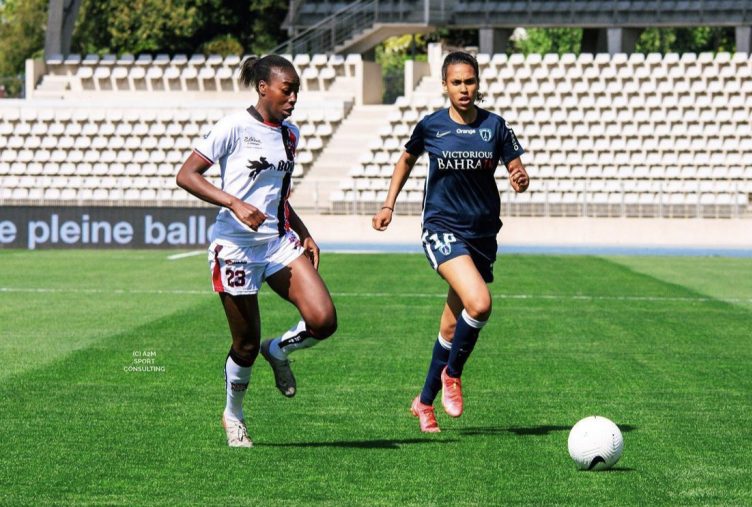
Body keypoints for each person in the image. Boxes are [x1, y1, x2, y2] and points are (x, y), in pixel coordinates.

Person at [176, 55, 337, 447]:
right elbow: (186, 175)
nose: (294, 96)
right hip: (235, 249)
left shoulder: (290, 134)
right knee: (244, 345)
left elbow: (278, 195)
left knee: (323, 320)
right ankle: (233, 415)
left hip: (278, 243)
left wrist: (305, 233)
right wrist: (233, 203)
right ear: (264, 87)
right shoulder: (233, 127)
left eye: (297, 89)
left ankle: (279, 350)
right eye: (288, 88)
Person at [372, 51, 529, 433]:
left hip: (482, 234)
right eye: (456, 82)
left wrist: (519, 176)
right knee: (480, 303)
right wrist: (388, 204)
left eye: (470, 81)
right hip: (441, 228)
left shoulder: (496, 127)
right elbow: (406, 160)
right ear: (445, 85)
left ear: (478, 84)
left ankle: (423, 403)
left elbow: (515, 165)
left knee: (449, 327)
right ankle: (452, 375)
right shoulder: (432, 126)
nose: (464, 88)